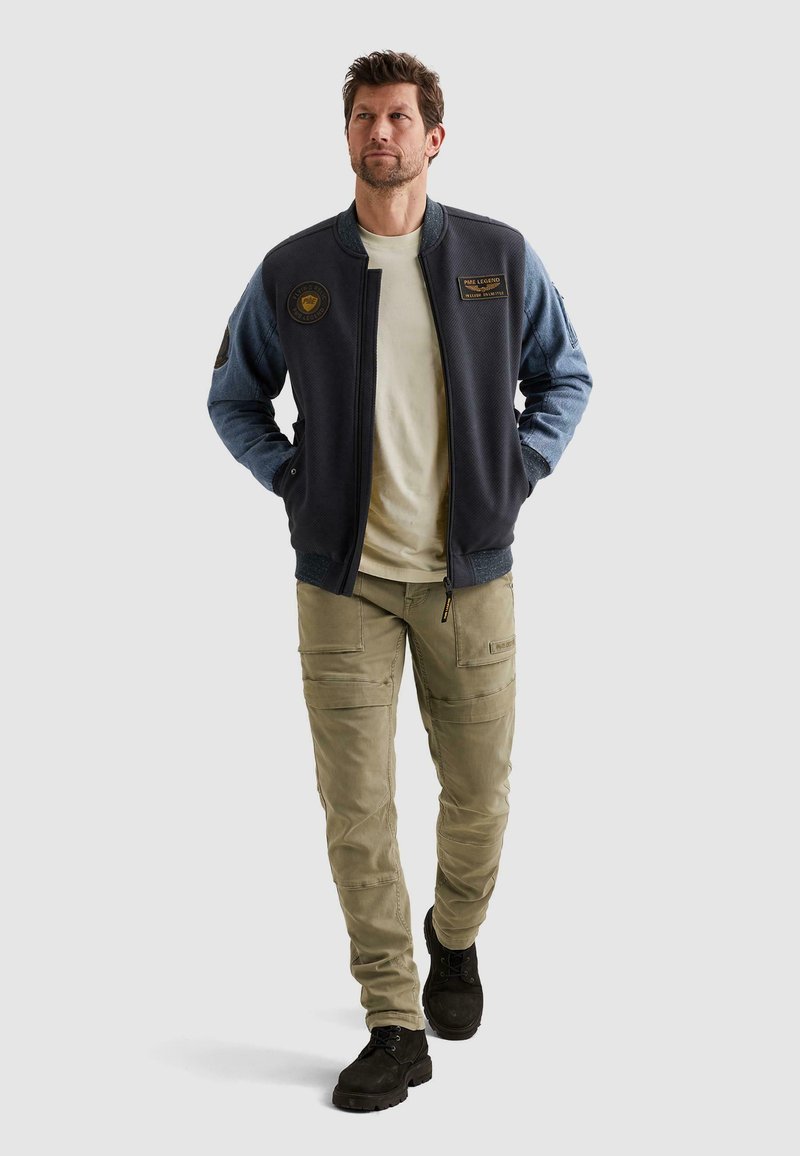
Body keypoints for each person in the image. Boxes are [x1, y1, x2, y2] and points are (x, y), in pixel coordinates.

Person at [207, 49, 592, 1112]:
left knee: (478, 797)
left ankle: (453, 937)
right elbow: (233, 396)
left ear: (434, 137)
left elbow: (564, 374)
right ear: (347, 136)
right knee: (357, 807)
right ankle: (392, 1016)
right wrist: (293, 480)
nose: (381, 132)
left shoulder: (497, 257)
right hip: (344, 585)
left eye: (399, 117)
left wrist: (518, 470)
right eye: (364, 117)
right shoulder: (295, 270)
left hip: (471, 579)